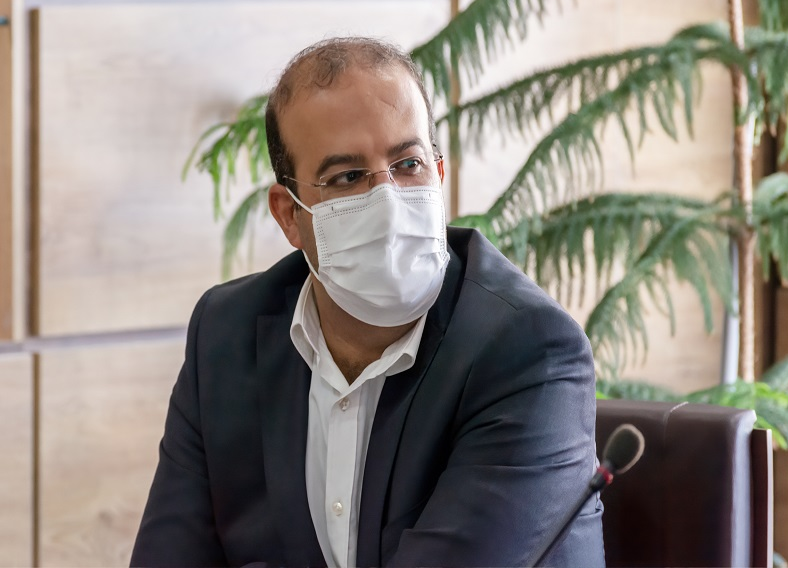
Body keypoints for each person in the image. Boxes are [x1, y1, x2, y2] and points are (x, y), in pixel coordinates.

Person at [131, 36, 604, 567]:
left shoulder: (530, 351)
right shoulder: (226, 333)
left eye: (408, 164)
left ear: (438, 175)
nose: (388, 201)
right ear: (290, 215)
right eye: (348, 177)